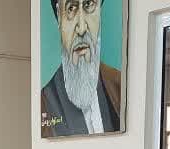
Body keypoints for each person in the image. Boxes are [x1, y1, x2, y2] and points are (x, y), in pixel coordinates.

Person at [40, 0, 121, 137]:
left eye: (89, 5)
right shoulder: (44, 103)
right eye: (71, 8)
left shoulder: (119, 85)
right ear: (59, 16)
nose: (82, 28)